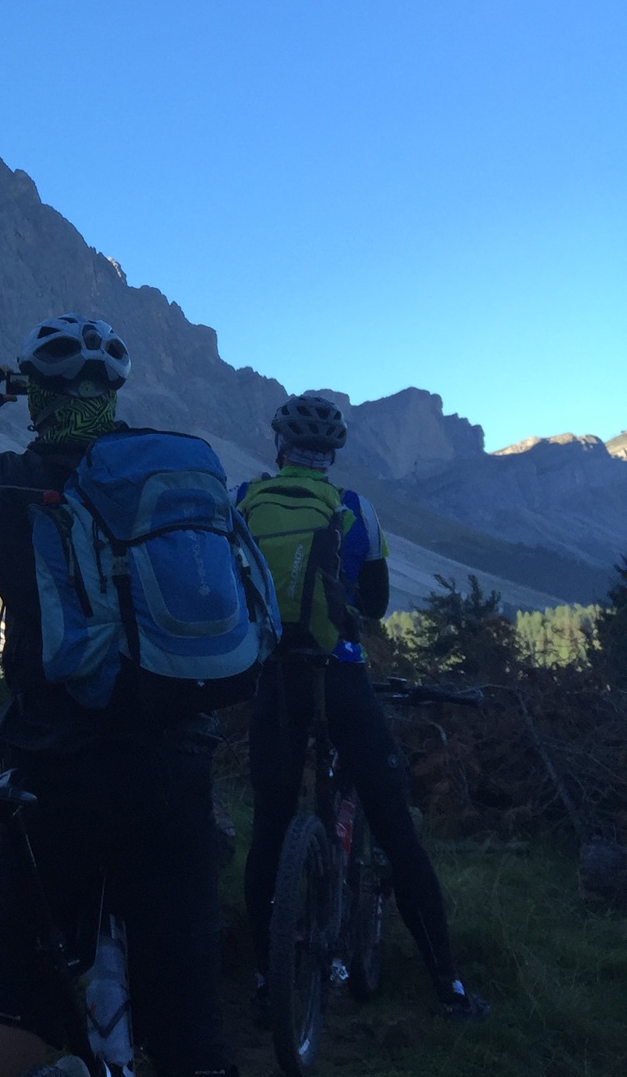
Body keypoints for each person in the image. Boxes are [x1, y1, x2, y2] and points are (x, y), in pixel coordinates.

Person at [0, 315, 238, 1077]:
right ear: (112, 392)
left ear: (34, 392)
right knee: (192, 1020)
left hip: (56, 764)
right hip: (176, 760)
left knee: (24, 986)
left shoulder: (10, 483)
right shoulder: (171, 477)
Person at [238, 392, 489, 1020]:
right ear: (332, 455)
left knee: (269, 826)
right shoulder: (354, 509)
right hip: (340, 677)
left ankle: (266, 978)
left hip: (273, 676)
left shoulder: (242, 499)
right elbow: (375, 605)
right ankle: (449, 988)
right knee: (394, 826)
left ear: (280, 446)